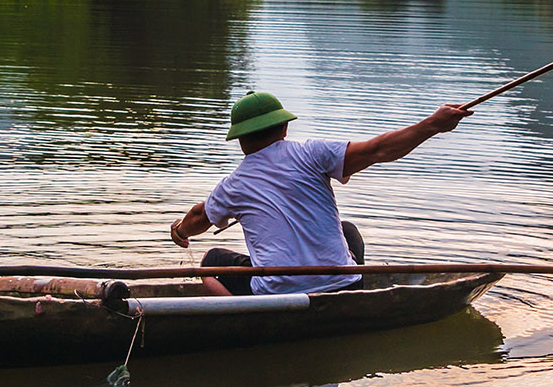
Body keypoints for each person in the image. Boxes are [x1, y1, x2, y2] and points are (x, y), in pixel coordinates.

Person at [168, 91, 471, 297]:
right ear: (284, 128)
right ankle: (349, 296)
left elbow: (198, 217)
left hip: (278, 295)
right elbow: (379, 149)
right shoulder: (313, 153)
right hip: (346, 286)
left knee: (211, 260)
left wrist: (180, 231)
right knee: (349, 231)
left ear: (240, 141)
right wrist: (433, 124)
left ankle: (242, 316)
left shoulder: (234, 185)